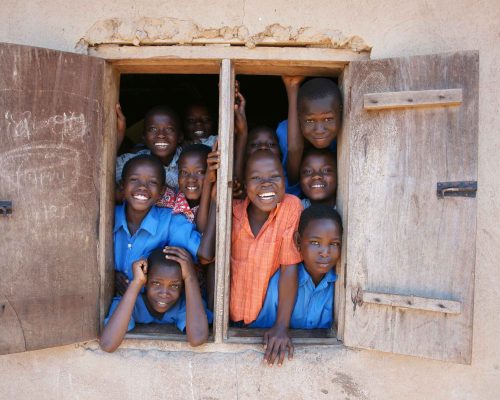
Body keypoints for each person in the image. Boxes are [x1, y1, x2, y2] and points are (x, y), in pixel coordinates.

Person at [212, 150, 303, 366]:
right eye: (256, 178)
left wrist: (281, 326)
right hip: (228, 321)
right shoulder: (232, 211)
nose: (266, 184)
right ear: (244, 183)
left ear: (285, 179)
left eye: (274, 176)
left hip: (267, 322)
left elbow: (289, 266)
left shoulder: (290, 207)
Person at [114, 154, 216, 295]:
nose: (142, 187)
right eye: (134, 179)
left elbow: (205, 256)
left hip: (157, 307)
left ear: (162, 191)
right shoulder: (109, 218)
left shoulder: (170, 221)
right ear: (122, 186)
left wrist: (214, 198)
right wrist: (111, 275)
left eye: (152, 182)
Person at [100, 246, 211, 352]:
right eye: (156, 283)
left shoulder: (186, 306)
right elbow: (108, 344)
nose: (164, 293)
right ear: (146, 281)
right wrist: (136, 282)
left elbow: (198, 338)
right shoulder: (130, 304)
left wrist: (190, 276)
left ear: (182, 287)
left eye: (174, 286)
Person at [252, 204, 342, 329]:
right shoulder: (280, 283)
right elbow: (264, 331)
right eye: (315, 243)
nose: (325, 252)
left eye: (334, 243)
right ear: (298, 241)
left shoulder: (341, 286)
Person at [278, 76, 342, 192]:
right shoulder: (284, 131)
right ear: (298, 118)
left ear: (341, 113)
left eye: (328, 119)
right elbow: (294, 149)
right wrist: (292, 89)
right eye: (310, 121)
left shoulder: (347, 132)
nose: (319, 129)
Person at [116, 105, 183, 190]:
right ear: (144, 137)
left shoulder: (192, 162)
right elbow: (102, 172)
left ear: (180, 136)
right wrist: (119, 136)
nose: (161, 135)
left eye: (169, 129)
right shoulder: (129, 162)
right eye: (153, 129)